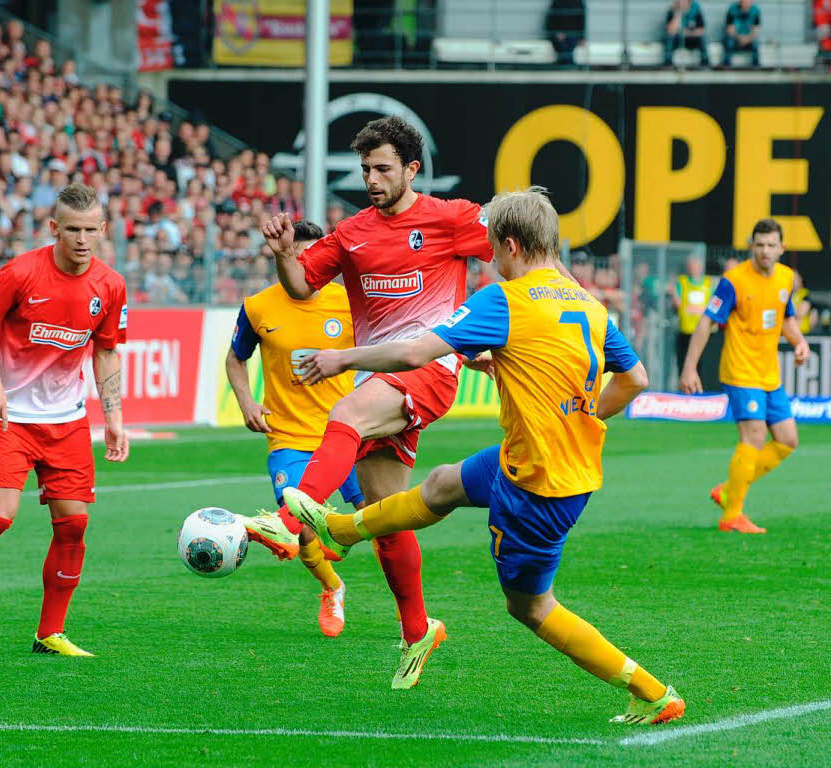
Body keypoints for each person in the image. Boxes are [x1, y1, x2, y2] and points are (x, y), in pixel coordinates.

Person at [288, 187, 685, 726]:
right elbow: (634, 378)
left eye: (494, 249)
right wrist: (584, 412)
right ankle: (341, 529)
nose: (491, 260)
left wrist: (341, 359)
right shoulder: (586, 302)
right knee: (443, 484)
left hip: (538, 489)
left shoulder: (505, 299)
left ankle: (653, 693)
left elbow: (411, 351)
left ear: (514, 246)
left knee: (530, 607)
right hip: (538, 458)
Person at [252, 115, 498, 690]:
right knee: (386, 517)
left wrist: (492, 333)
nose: (372, 178)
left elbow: (517, 248)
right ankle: (418, 632)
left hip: (429, 369)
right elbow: (301, 286)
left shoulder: (450, 218)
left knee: (345, 416)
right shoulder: (352, 231)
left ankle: (290, 522)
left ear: (412, 169)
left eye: (383, 168)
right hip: (383, 379)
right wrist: (285, 254)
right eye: (365, 169)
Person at [0, 184, 130, 656]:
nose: (81, 238)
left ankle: (49, 633)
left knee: (73, 524)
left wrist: (113, 415)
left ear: (103, 231)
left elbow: (107, 350)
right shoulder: (21, 271)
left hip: (68, 421)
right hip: (9, 415)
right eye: (72, 229)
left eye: (90, 230)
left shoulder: (110, 285)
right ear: (54, 228)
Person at [226, 219, 366, 638]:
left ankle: (409, 613)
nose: (302, 265)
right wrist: (247, 402)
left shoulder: (349, 304)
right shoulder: (258, 307)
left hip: (349, 431)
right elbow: (236, 358)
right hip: (289, 437)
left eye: (311, 257)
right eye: (293, 255)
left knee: (380, 522)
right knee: (298, 526)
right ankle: (332, 588)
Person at [679, 218, 809, 534]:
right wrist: (689, 367)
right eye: (759, 245)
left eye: (770, 245)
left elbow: (786, 318)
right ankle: (731, 516)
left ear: (782, 248)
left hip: (770, 375)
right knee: (753, 436)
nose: (764, 251)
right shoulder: (733, 281)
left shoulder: (785, 278)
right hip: (740, 372)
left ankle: (728, 491)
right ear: (751, 246)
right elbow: (706, 322)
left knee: (787, 441)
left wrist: (800, 342)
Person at [670, 254, 713, 375]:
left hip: (702, 331)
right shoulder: (682, 282)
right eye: (691, 266)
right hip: (685, 330)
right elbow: (677, 303)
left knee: (701, 363)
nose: (693, 269)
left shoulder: (707, 283)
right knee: (683, 361)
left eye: (695, 266)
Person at [663, 0, 709, 67]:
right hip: (678, 39)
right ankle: (668, 62)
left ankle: (705, 61)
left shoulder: (696, 9)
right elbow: (670, 30)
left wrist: (688, 32)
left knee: (702, 38)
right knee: (670, 37)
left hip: (691, 38)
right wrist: (678, 13)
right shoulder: (673, 10)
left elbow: (701, 30)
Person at [546, 0, 585, 66]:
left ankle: (565, 63)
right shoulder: (557, 2)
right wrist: (558, 32)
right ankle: (567, 64)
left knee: (569, 45)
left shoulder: (579, 2)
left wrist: (582, 37)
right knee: (563, 46)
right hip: (560, 33)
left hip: (574, 33)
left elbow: (581, 20)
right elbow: (552, 19)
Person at [723, 0, 761, 67]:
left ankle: (756, 65)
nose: (745, 3)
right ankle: (726, 64)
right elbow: (729, 29)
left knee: (755, 44)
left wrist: (747, 39)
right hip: (735, 37)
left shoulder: (755, 10)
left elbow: (755, 30)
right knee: (729, 41)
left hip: (748, 38)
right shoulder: (732, 9)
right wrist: (739, 37)